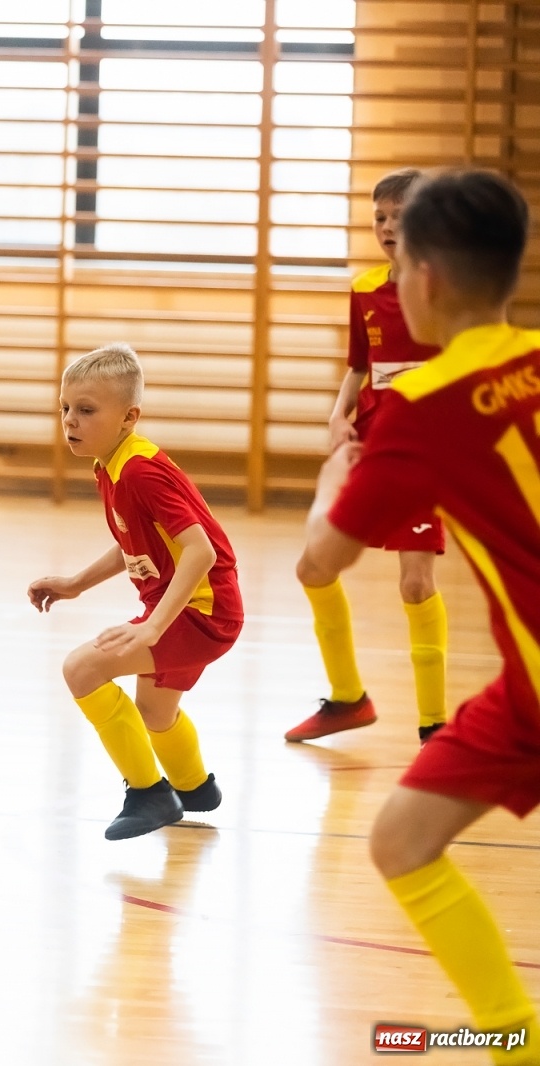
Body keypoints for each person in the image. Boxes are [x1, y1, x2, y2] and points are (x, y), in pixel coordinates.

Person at [299, 169, 539, 1065]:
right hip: (523, 687)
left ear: (427, 279)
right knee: (402, 836)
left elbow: (321, 561)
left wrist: (331, 480)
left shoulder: (419, 411)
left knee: (402, 846)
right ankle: (516, 1042)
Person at [27, 344, 241, 840]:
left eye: (86, 410)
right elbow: (134, 540)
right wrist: (77, 584)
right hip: (189, 607)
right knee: (155, 712)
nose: (70, 421)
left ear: (129, 416)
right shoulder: (112, 464)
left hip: (201, 612)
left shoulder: (141, 470)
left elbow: (200, 552)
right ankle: (194, 786)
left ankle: (149, 794)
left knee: (82, 668)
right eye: (65, 409)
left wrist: (153, 627)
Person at [288, 168, 449, 744]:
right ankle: (348, 698)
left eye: (399, 216)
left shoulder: (447, 288)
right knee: (313, 567)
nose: (386, 227)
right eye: (379, 217)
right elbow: (360, 364)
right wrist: (340, 413)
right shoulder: (364, 288)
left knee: (415, 584)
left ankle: (435, 726)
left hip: (424, 447)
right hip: (372, 441)